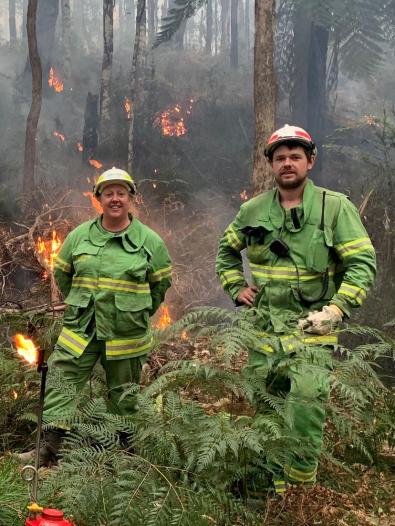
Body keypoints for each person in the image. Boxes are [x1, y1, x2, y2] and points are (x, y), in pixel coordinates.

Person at [216, 125, 376, 494]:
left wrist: (336, 309)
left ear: (310, 161)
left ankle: (300, 495)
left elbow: (362, 263)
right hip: (264, 332)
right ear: (271, 164)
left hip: (311, 332)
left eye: (295, 156)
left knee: (305, 410)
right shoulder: (252, 209)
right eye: (280, 157)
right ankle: (267, 488)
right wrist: (237, 287)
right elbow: (226, 252)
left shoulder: (335, 207)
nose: (287, 163)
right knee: (266, 411)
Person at [19, 167, 172, 466]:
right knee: (60, 384)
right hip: (81, 331)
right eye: (109, 193)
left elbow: (160, 286)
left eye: (121, 193)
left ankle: (122, 456)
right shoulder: (79, 237)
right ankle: (49, 451)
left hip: (126, 335)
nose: (115, 199)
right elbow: (63, 275)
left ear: (131, 198)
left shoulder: (151, 241)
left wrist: (133, 312)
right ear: (99, 198)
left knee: (124, 396)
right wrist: (81, 303)